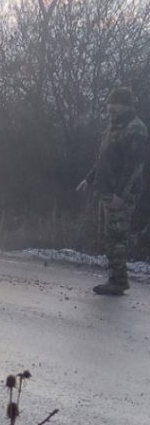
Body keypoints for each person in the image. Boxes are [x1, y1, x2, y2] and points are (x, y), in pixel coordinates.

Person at [77, 87, 148, 295]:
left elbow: (134, 165)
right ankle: (114, 277)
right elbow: (104, 158)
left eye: (114, 103)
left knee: (117, 236)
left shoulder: (136, 129)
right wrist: (89, 179)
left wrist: (121, 195)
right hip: (107, 190)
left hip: (121, 193)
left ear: (125, 104)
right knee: (109, 235)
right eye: (110, 103)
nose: (110, 107)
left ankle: (118, 281)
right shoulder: (114, 126)